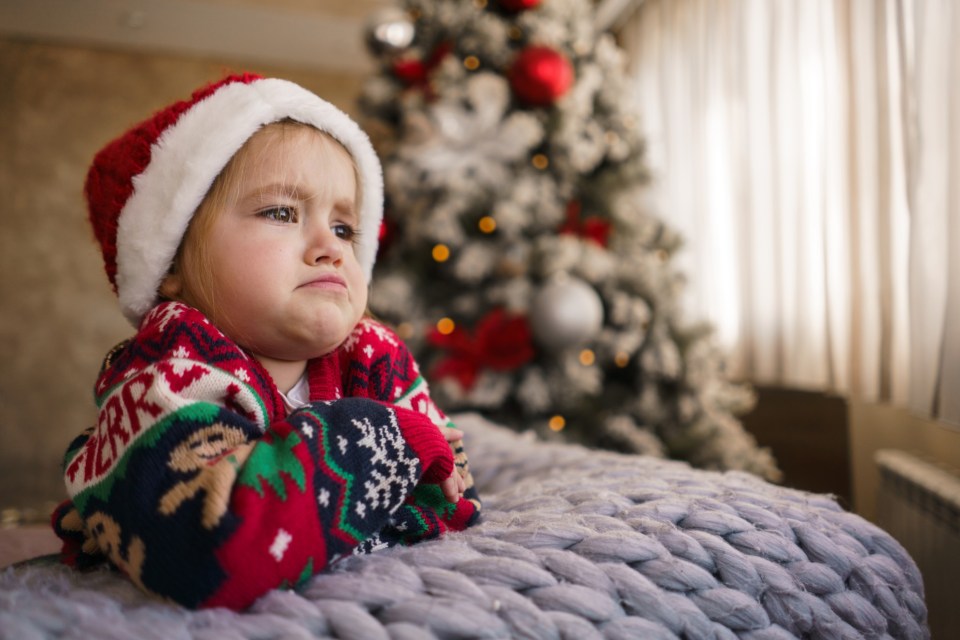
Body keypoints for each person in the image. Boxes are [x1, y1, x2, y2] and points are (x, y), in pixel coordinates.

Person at [50, 73, 480, 610]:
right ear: (171, 263)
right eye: (281, 213)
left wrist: (308, 504)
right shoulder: (168, 368)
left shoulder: (371, 352)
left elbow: (454, 499)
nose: (331, 248)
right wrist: (385, 440)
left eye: (344, 228)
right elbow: (212, 554)